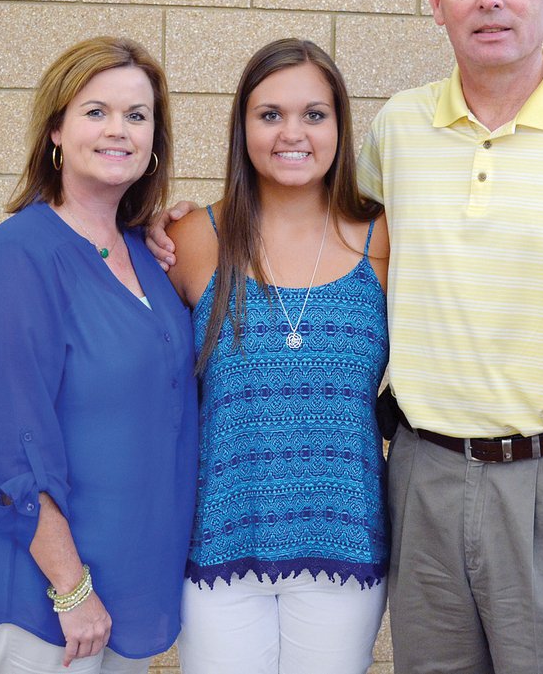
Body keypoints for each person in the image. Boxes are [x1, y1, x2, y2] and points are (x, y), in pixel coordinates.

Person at [147, 0, 543, 671]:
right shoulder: (400, 133)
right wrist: (173, 219)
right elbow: (316, 212)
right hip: (425, 476)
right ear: (435, 1)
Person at [0, 36, 198, 674]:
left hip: (131, 576)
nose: (118, 130)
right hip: (55, 593)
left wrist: (184, 225)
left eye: (137, 115)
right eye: (96, 112)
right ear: (56, 131)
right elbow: (11, 446)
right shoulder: (20, 256)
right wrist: (71, 590)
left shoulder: (151, 255)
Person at [164, 38, 390, 674]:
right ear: (243, 127)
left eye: (314, 115)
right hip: (218, 541)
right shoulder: (192, 237)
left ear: (340, 128)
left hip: (342, 538)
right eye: (270, 115)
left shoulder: (384, 240)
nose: (293, 133)